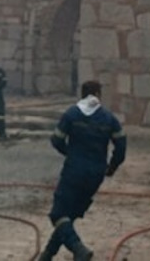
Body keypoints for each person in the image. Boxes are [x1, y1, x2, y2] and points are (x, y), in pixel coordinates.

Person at [39, 80, 127, 261]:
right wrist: (112, 167)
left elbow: (56, 140)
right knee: (69, 215)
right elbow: (121, 146)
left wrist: (69, 153)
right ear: (97, 94)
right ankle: (47, 254)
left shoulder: (72, 114)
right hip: (96, 174)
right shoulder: (109, 118)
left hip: (74, 171)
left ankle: (78, 249)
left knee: (58, 214)